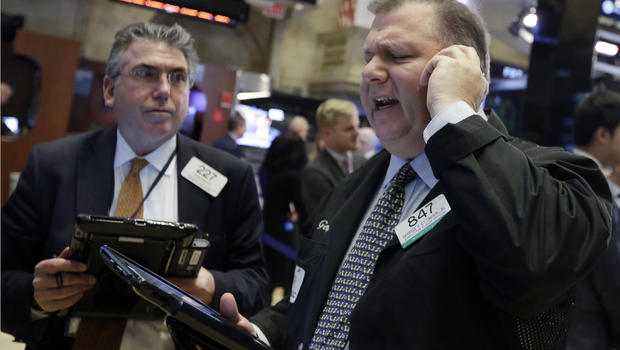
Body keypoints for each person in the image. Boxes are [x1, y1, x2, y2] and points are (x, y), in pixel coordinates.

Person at [218, 1, 612, 349]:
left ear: (461, 69)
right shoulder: (354, 184)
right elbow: (320, 302)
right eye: (368, 56)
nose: (370, 71)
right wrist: (260, 333)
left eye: (395, 54)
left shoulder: (558, 178)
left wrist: (454, 112)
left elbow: (530, 266)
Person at [1, 22, 269, 350]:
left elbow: (256, 281)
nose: (164, 90)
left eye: (178, 77)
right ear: (110, 90)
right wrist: (37, 294)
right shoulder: (54, 165)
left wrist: (211, 285)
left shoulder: (229, 176)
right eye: (146, 73)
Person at [567, 90, 620, 350]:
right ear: (603, 134)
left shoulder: (554, 171)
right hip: (588, 335)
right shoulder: (595, 190)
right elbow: (611, 278)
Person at [258, 133, 309, 303]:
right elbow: (303, 208)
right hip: (283, 233)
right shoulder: (292, 176)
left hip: (265, 225)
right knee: (287, 280)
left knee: (266, 277)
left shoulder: (266, 170)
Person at [300, 98, 365, 215]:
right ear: (327, 133)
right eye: (349, 129)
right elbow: (329, 219)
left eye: (357, 126)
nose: (357, 133)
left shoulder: (364, 162)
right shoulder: (315, 173)